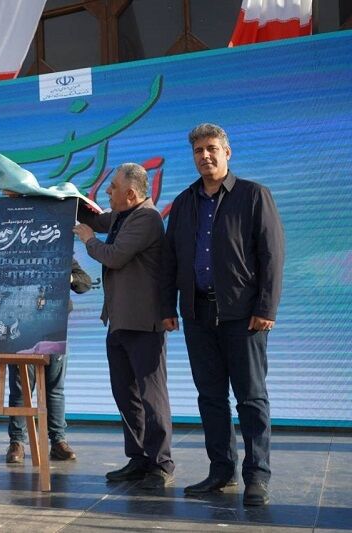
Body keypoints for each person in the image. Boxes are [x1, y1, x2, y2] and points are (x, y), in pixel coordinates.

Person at [161, 123, 284, 506]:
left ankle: (257, 476)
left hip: (244, 315)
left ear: (227, 152)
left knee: (251, 398)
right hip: (198, 315)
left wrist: (266, 307)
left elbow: (272, 255)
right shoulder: (184, 203)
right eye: (198, 150)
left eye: (211, 148)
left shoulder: (253, 195)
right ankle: (221, 470)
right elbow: (170, 259)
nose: (205, 156)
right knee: (211, 398)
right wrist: (167, 307)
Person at [74, 162, 175, 489]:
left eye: (113, 187)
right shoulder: (122, 214)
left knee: (151, 396)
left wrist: (89, 241)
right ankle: (138, 458)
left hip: (143, 322)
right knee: (125, 394)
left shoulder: (147, 218)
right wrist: (63, 198)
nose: (107, 191)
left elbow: (114, 255)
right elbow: (94, 218)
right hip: (118, 321)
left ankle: (161, 463)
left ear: (131, 194)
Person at [0, 188, 92, 464]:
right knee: (21, 388)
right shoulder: (11, 251)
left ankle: (58, 441)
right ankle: (17, 443)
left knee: (54, 387)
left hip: (54, 326)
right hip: (21, 326)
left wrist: (68, 278)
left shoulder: (59, 252)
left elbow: (85, 283)